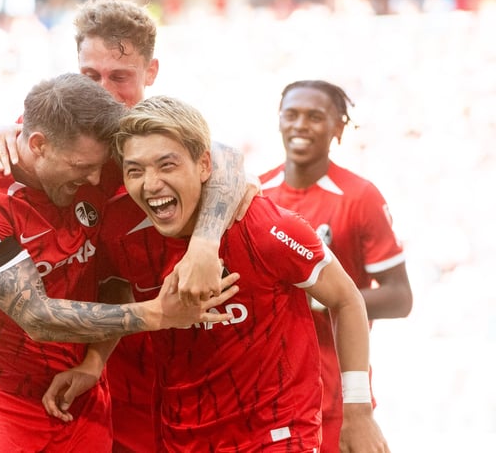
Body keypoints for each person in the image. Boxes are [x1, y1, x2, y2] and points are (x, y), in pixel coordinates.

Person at [0, 0, 251, 452]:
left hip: (169, 355)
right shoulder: (56, 130)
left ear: (150, 74)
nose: (103, 89)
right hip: (92, 359)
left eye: (119, 77)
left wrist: (205, 244)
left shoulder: (151, 136)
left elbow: (228, 160)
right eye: (90, 75)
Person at [43, 95, 390, 452]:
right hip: (182, 436)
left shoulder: (264, 227)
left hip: (277, 432)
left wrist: (359, 412)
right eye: (135, 171)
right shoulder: (119, 232)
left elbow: (346, 299)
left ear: (204, 165)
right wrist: (94, 361)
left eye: (167, 165)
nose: (150, 184)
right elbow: (114, 286)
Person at [259, 80, 413, 452]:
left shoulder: (360, 196)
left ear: (338, 128)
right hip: (266, 395)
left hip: (336, 396)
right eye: (291, 115)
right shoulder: (257, 194)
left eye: (315, 117)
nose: (300, 125)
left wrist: (320, 297)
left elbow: (399, 297)